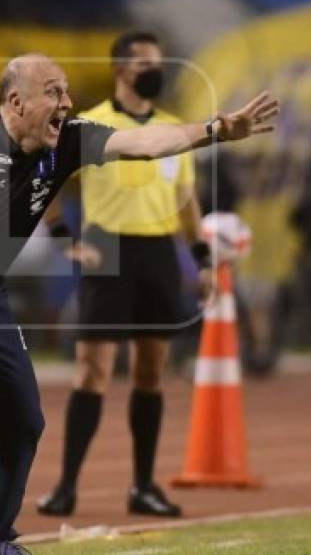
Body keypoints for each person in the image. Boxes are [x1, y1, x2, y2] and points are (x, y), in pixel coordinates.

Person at [0, 53, 277, 555]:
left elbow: (144, 143)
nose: (66, 102)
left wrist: (216, 129)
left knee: (23, 417)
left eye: (66, 91)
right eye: (53, 91)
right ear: (15, 101)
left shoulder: (67, 141)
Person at [36, 31, 211, 519]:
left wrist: (202, 258)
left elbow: (186, 200)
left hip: (158, 249)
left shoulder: (176, 129)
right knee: (92, 369)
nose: (156, 71)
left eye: (159, 62)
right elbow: (45, 185)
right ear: (120, 70)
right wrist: (64, 239)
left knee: (150, 372)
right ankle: (66, 486)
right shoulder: (89, 124)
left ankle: (143, 486)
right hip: (106, 244)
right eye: (145, 64)